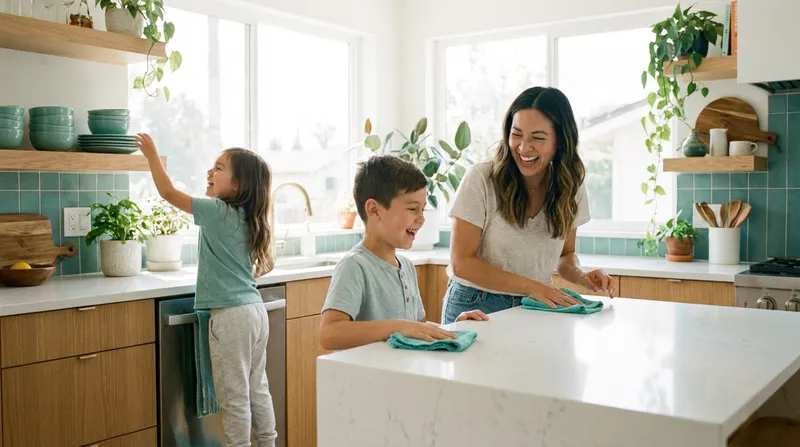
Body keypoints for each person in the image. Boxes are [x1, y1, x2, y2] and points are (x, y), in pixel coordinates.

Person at [135, 134, 277, 447]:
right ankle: (267, 442)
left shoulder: (217, 211)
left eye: (219, 168)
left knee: (234, 396)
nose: (210, 172)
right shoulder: (251, 220)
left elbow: (168, 192)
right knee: (257, 387)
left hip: (230, 318)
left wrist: (152, 155)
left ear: (238, 186)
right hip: (255, 312)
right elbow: (264, 266)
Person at [442, 86, 618, 325]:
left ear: (560, 141)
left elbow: (565, 255)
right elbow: (461, 263)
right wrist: (532, 287)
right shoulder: (482, 178)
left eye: (537, 138)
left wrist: (582, 276)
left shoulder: (570, 187)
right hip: (476, 303)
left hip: (535, 304)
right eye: (516, 135)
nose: (524, 148)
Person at [318, 155, 488, 351]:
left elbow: (416, 328)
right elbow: (329, 334)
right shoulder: (354, 266)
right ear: (374, 211)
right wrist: (397, 326)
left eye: (423, 209)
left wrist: (452, 330)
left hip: (399, 377)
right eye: (413, 209)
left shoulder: (406, 266)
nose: (421, 219)